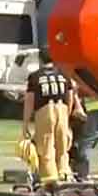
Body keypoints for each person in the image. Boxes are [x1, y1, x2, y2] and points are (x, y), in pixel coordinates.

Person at [22, 48, 74, 186]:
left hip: (44, 110)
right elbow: (70, 96)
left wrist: (25, 123)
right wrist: (67, 115)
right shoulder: (64, 74)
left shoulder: (35, 76)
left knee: (46, 147)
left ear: (40, 59)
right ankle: (64, 174)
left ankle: (50, 180)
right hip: (62, 108)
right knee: (62, 147)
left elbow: (29, 100)